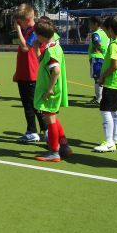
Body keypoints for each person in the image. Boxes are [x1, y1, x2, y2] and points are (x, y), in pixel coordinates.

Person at [33, 19, 71, 162]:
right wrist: (37, 49)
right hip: (54, 88)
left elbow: (55, 70)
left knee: (50, 119)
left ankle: (54, 151)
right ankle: (64, 146)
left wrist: (49, 89)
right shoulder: (54, 45)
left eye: (37, 35)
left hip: (51, 90)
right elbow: (43, 63)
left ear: (41, 36)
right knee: (52, 116)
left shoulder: (51, 51)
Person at [13, 4, 47, 142]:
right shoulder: (28, 30)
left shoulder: (35, 31)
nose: (17, 24)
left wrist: (18, 30)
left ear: (25, 19)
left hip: (32, 73)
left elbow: (26, 47)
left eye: (19, 21)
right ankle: (37, 131)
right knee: (29, 104)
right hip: (24, 73)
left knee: (33, 105)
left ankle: (41, 130)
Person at [93, 16, 117, 153]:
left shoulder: (114, 45)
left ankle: (109, 142)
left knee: (105, 111)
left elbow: (114, 65)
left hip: (112, 82)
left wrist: (102, 76)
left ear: (111, 29)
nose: (106, 33)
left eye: (106, 30)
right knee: (116, 111)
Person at [88, 16, 110, 105]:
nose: (89, 26)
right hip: (103, 58)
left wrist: (99, 48)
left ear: (96, 24)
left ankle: (98, 99)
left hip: (96, 58)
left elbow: (98, 43)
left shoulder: (95, 34)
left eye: (90, 24)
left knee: (97, 78)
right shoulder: (105, 33)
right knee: (101, 77)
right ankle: (101, 97)